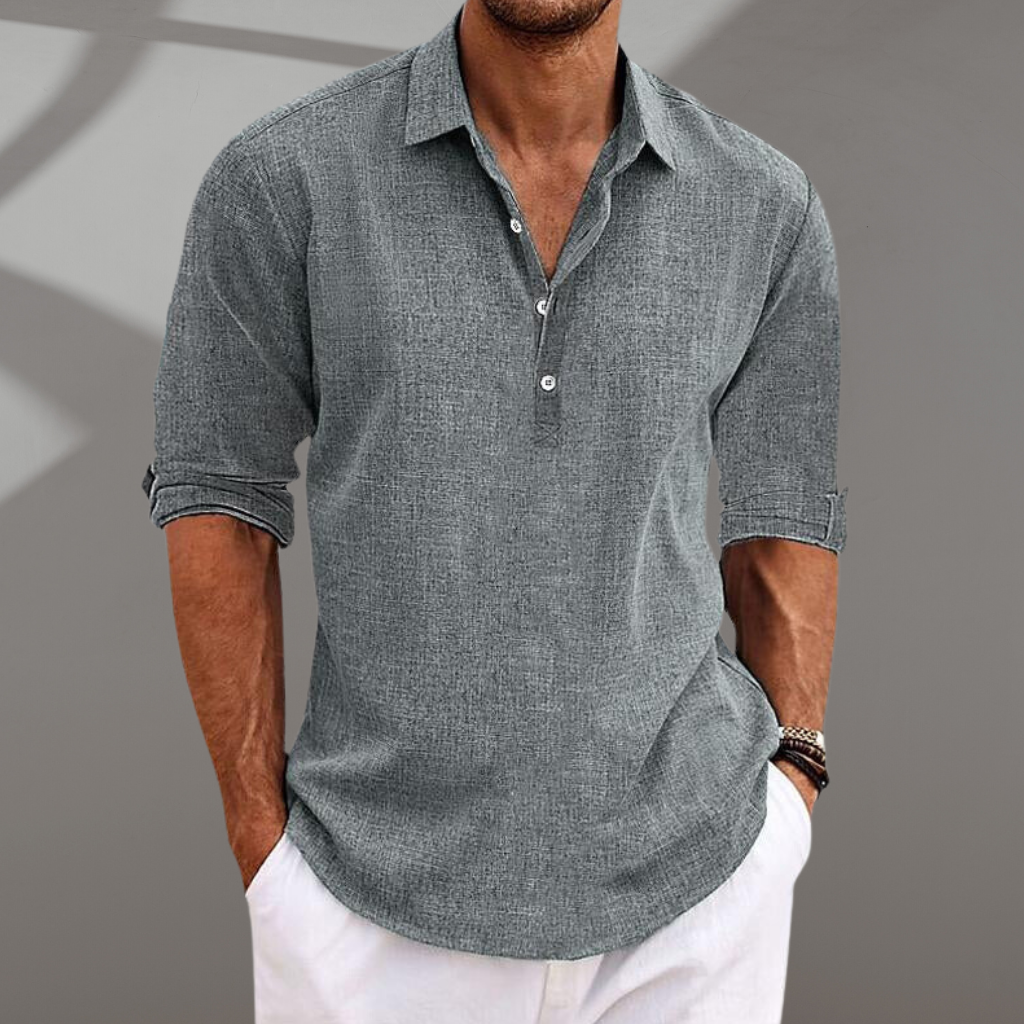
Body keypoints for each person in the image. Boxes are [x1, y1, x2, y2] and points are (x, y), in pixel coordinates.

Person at [141, 1, 847, 1020]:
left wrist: (794, 782)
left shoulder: (762, 203)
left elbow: (784, 510)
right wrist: (264, 848)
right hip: (364, 904)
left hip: (698, 901)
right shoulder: (284, 178)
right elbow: (216, 495)